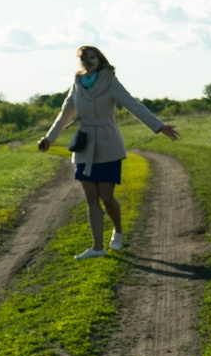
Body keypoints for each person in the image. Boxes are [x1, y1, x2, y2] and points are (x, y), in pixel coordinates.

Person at [36, 45, 178, 257]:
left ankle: (118, 231)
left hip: (108, 144)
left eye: (92, 57)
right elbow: (64, 114)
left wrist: (159, 126)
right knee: (91, 198)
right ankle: (97, 247)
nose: (88, 61)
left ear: (100, 59)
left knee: (107, 196)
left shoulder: (109, 81)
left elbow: (133, 105)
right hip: (84, 146)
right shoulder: (77, 83)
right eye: (84, 58)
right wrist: (49, 139)